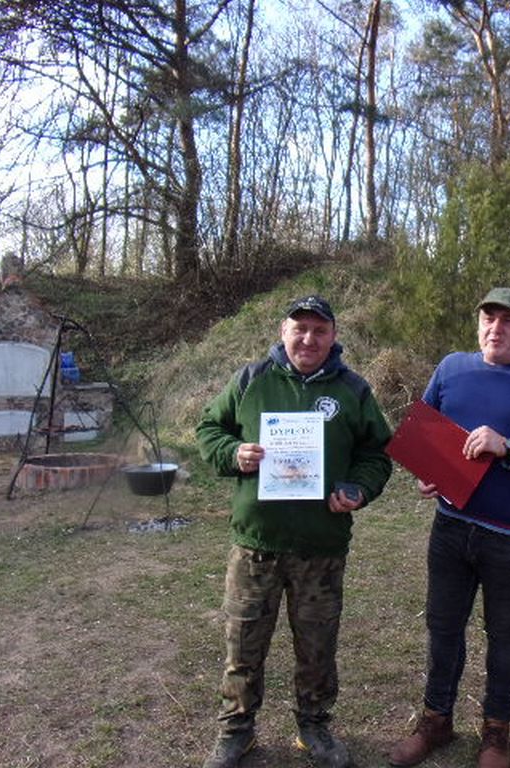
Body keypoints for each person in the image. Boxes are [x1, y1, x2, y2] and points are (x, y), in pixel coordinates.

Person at [389, 287, 510, 768]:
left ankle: (496, 732)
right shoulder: (451, 368)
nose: (495, 328)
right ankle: (436, 720)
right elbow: (425, 429)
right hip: (451, 527)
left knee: (506, 634)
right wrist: (426, 471)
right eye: (488, 318)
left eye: (507, 319)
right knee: (442, 626)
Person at [196, 295, 393, 768]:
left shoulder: (352, 389)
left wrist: (358, 489)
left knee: (317, 646)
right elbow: (209, 429)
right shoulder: (251, 379)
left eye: (319, 330)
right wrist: (233, 453)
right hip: (255, 545)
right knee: (243, 644)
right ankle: (237, 731)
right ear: (283, 331)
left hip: (320, 547)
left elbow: (376, 454)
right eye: (299, 328)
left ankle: (314, 727)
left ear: (333, 336)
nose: (308, 339)